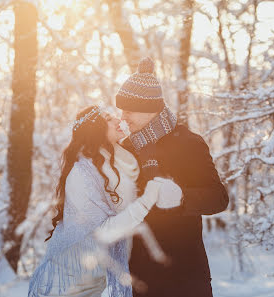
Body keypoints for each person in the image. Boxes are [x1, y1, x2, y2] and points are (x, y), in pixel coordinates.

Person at [28, 105, 175, 297]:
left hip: (93, 273)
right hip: (70, 276)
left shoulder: (115, 162)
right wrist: (147, 200)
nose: (118, 120)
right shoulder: (82, 172)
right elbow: (103, 231)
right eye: (109, 119)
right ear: (95, 129)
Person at [115, 57, 230, 297]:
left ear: (150, 108)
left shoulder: (189, 143)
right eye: (121, 110)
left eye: (129, 110)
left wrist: (181, 197)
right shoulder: (126, 149)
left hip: (185, 276)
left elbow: (218, 198)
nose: (123, 117)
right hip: (141, 278)